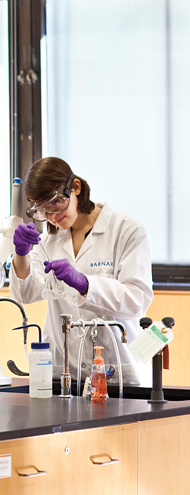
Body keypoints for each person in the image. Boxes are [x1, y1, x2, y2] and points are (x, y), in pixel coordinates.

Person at [9, 157, 153, 388]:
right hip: (62, 373)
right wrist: (21, 253)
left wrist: (85, 284)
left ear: (75, 188)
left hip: (119, 374)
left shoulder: (126, 231)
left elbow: (137, 300)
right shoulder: (49, 241)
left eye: (55, 203)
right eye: (42, 210)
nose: (52, 217)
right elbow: (26, 294)